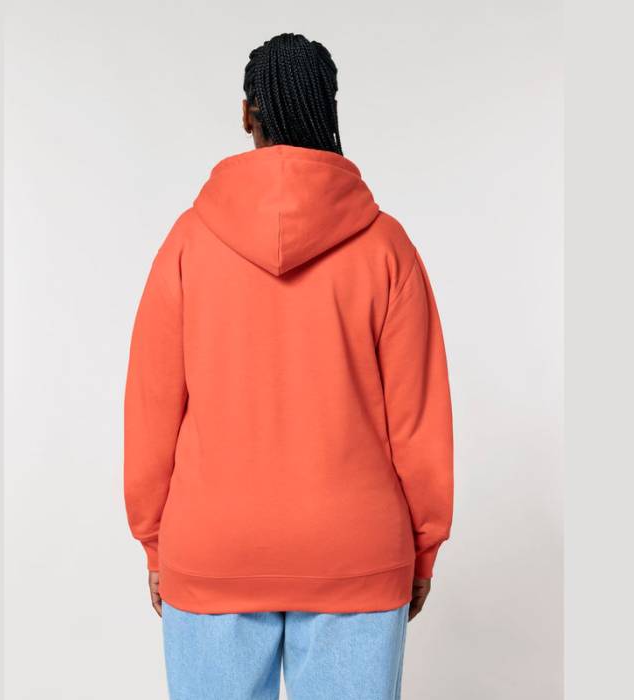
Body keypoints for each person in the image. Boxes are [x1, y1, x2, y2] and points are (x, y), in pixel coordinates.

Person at [124, 32, 453, 700]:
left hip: (213, 546)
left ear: (248, 113)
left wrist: (157, 543)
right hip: (356, 549)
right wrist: (422, 549)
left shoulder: (188, 243)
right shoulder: (386, 247)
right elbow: (419, 422)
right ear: (329, 108)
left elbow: (151, 411)